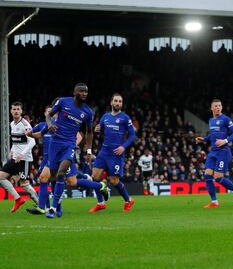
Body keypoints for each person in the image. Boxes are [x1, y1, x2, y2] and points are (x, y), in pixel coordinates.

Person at [30, 84, 109, 218]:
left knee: (60, 174)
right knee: (61, 179)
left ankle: (52, 209)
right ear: (74, 92)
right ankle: (98, 185)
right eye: (81, 91)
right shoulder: (63, 102)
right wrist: (48, 126)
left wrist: (89, 150)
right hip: (55, 146)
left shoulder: (88, 112)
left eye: (86, 91)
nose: (84, 93)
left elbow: (89, 132)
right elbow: (48, 118)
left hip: (69, 146)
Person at [88, 93, 136, 213]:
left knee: (114, 181)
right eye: (116, 101)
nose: (118, 103)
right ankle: (100, 203)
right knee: (94, 177)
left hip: (116, 153)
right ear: (111, 102)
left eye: (120, 101)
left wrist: (123, 147)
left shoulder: (125, 118)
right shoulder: (105, 116)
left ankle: (128, 200)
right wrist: (97, 129)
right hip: (104, 152)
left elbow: (132, 135)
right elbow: (101, 130)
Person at [193, 99, 233, 208]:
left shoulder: (225, 119)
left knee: (218, 177)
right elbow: (213, 136)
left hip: (223, 152)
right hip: (213, 152)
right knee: (207, 175)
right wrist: (204, 139)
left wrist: (225, 141)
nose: (218, 107)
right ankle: (214, 202)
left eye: (219, 105)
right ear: (211, 108)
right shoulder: (211, 120)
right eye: (215, 106)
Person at [1, 102, 36, 213]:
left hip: (24, 159)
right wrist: (12, 151)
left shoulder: (25, 125)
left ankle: (41, 204)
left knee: (24, 184)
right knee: (1, 177)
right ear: (11, 111)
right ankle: (18, 199)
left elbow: (33, 141)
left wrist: (22, 154)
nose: (16, 111)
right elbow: (16, 142)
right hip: (15, 158)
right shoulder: (12, 124)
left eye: (18, 109)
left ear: (21, 111)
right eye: (14, 109)